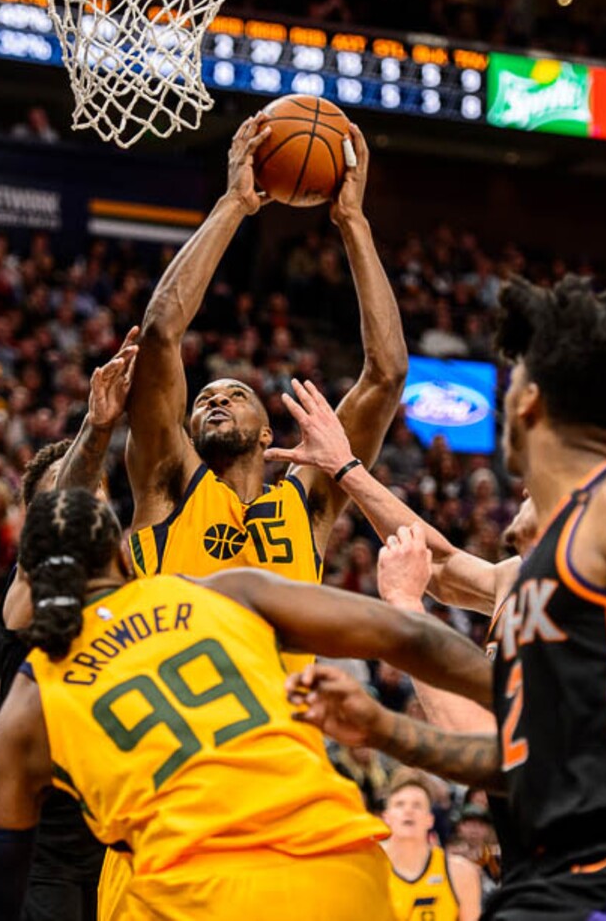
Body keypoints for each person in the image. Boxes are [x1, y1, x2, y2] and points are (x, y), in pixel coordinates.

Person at [288, 275, 606, 921]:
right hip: (541, 870)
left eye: (510, 381)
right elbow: (504, 755)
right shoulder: (536, 568)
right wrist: (384, 729)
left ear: (529, 402)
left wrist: (402, 616)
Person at [0, 487, 494, 921]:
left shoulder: (25, 712)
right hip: (340, 875)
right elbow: (408, 636)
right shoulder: (224, 591)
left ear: (26, 579)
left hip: (198, 896)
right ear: (123, 555)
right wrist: (513, 694)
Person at [125, 115, 408, 665]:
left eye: (235, 395)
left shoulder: (307, 505)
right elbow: (161, 332)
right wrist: (234, 203)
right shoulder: (167, 483)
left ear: (265, 433)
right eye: (205, 397)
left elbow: (387, 374)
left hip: (279, 734)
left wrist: (352, 221)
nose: (215, 399)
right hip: (177, 730)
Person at [0, 331, 139, 921]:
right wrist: (97, 430)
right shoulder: (29, 580)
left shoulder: (133, 586)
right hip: (44, 851)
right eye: (70, 494)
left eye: (97, 493)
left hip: (119, 844)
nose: (84, 505)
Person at [383, 770, 481, 921]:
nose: (408, 811)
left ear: (430, 819)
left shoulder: (460, 873)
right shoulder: (369, 870)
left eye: (417, 805)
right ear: (386, 817)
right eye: (399, 804)